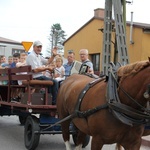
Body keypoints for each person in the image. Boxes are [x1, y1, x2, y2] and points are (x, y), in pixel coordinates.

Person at [26, 40, 58, 105]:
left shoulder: (38, 56)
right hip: (35, 77)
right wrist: (47, 68)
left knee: (52, 81)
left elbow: (47, 62)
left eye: (40, 47)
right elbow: (35, 70)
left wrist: (53, 55)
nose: (39, 49)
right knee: (55, 82)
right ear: (34, 47)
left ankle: (49, 100)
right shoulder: (32, 56)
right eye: (38, 47)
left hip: (38, 76)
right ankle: (54, 102)